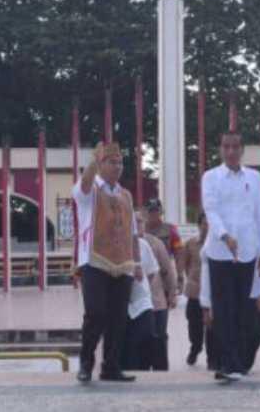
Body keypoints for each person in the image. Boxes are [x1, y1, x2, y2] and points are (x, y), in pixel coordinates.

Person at [200, 131, 260, 382]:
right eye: (226, 146)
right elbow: (211, 210)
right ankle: (228, 363)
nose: (230, 151)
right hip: (220, 252)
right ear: (220, 149)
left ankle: (239, 363)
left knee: (244, 311)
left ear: (242, 150)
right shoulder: (211, 177)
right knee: (223, 311)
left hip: (248, 253)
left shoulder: (254, 177)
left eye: (235, 147)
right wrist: (224, 235)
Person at [71, 142, 141, 384]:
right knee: (95, 313)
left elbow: (133, 232)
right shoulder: (89, 191)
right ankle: (85, 364)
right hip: (95, 261)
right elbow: (84, 185)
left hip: (123, 262)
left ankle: (111, 367)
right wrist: (92, 161)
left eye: (120, 162)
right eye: (112, 162)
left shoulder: (125, 195)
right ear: (100, 165)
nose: (117, 166)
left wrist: (137, 262)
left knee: (118, 318)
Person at [200, 250, 260, 374]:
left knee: (256, 332)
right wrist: (206, 306)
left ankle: (243, 365)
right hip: (225, 298)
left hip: (251, 294)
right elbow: (206, 276)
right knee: (227, 332)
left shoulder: (254, 237)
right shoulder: (212, 246)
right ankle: (230, 366)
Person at [120, 221, 159, 371]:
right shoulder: (110, 246)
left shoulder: (143, 245)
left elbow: (151, 271)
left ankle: (144, 371)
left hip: (141, 302)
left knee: (147, 337)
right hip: (121, 304)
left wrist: (142, 289)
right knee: (125, 346)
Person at [142, 216, 178, 371]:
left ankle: (160, 370)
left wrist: (172, 294)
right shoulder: (124, 243)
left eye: (139, 222)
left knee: (159, 337)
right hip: (136, 304)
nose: (137, 225)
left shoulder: (156, 243)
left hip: (157, 301)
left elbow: (167, 270)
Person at [180, 212, 215, 368]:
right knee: (194, 326)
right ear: (199, 225)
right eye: (204, 223)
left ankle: (211, 358)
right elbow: (186, 265)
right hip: (195, 292)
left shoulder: (217, 244)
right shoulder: (191, 244)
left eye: (209, 223)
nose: (206, 226)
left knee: (212, 326)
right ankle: (195, 348)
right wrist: (192, 279)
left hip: (213, 294)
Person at [143, 198, 185, 291]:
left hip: (164, 274)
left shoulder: (171, 230)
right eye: (151, 211)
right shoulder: (139, 229)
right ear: (146, 213)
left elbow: (179, 254)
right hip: (144, 275)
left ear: (161, 212)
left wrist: (180, 277)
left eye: (156, 211)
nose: (153, 214)